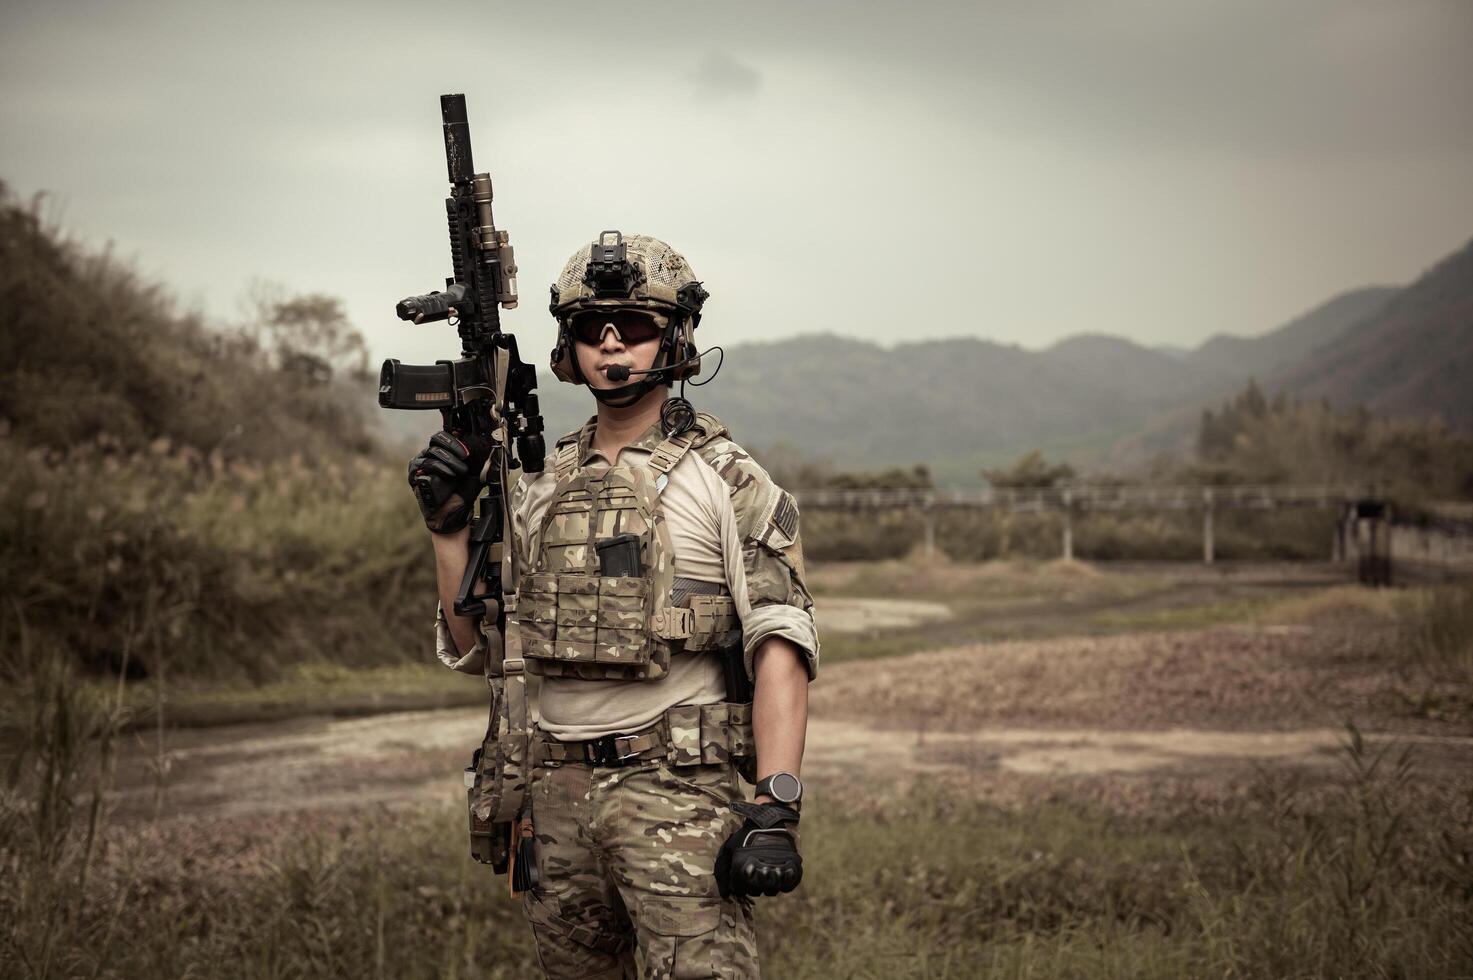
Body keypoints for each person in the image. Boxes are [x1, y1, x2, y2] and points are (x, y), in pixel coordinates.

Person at [408, 231, 819, 979]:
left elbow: (780, 642)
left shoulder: (727, 478)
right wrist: (446, 526)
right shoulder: (537, 480)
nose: (610, 345)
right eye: (590, 329)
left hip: (674, 790)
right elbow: (479, 647)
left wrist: (776, 806)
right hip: (555, 793)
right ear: (567, 347)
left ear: (674, 338)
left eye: (631, 326)